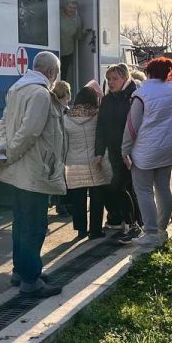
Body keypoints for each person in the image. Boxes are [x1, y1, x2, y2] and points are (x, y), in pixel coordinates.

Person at [0, 51, 66, 298]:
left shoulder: (17, 89)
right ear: (50, 72)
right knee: (34, 226)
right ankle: (31, 279)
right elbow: (29, 133)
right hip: (34, 170)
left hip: (18, 170)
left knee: (22, 222)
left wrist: (4, 149)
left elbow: (3, 125)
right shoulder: (40, 94)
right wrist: (11, 153)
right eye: (56, 74)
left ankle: (22, 270)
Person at [121, 57, 172, 248]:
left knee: (144, 191)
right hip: (168, 148)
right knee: (163, 188)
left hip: (145, 151)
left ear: (149, 72)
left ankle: (151, 232)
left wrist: (125, 149)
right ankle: (162, 230)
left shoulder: (142, 94)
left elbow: (132, 126)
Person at [95, 63, 142, 241]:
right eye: (108, 79)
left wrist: (130, 149)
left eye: (115, 78)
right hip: (115, 152)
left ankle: (135, 224)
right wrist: (99, 152)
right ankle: (135, 223)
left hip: (132, 150)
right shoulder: (107, 100)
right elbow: (101, 127)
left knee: (125, 186)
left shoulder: (133, 97)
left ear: (125, 77)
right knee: (124, 187)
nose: (111, 82)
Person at [64, 86, 111, 240]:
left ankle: (81, 230)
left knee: (78, 198)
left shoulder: (66, 117)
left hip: (73, 162)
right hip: (95, 160)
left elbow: (64, 142)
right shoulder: (99, 116)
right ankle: (95, 230)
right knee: (98, 197)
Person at [50, 80, 73, 216]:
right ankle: (61, 204)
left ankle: (57, 202)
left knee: (57, 176)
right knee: (62, 178)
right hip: (63, 149)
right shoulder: (66, 111)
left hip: (55, 148)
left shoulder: (51, 107)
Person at [59, 1, 85, 83]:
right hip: (55, 48)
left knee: (63, 75)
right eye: (70, 7)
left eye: (74, 8)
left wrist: (84, 33)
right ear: (65, 7)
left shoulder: (77, 19)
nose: (72, 10)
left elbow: (78, 36)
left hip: (67, 51)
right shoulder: (58, 15)